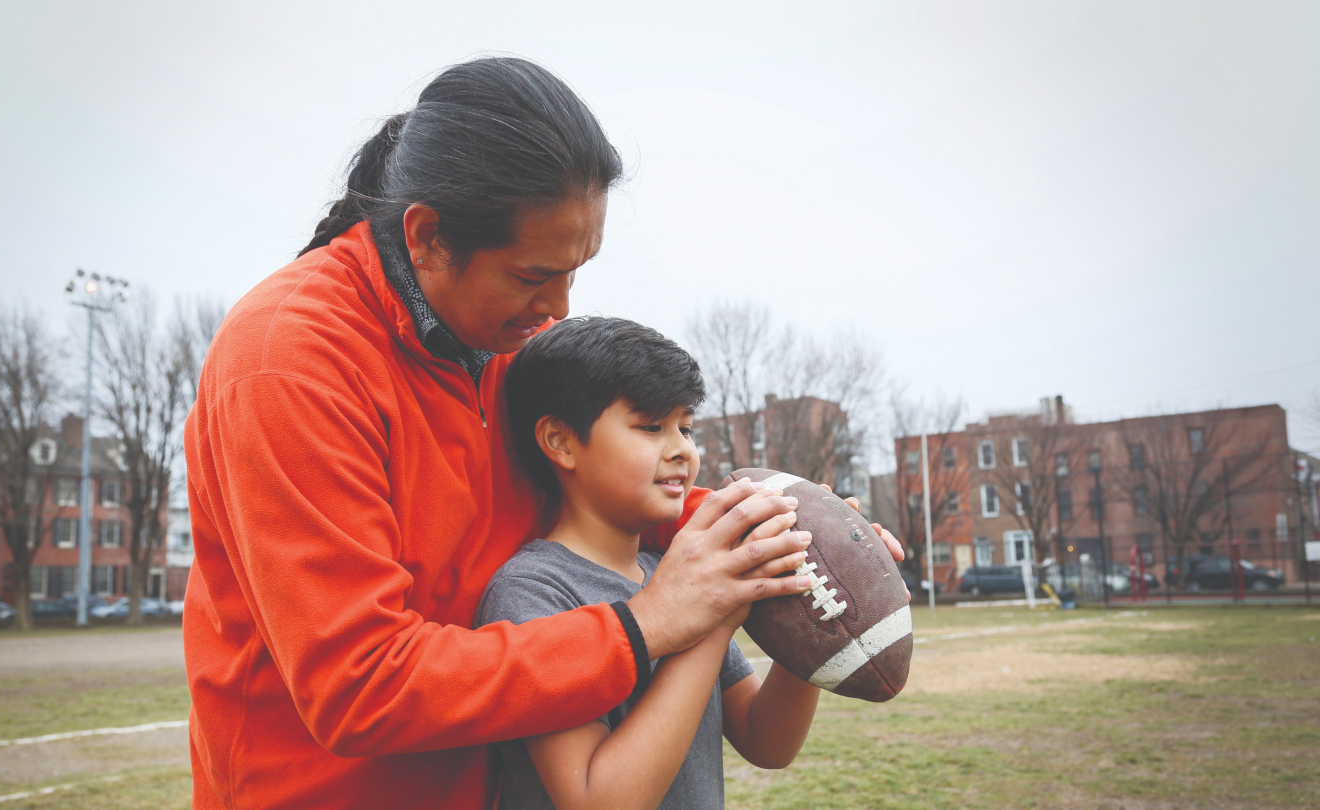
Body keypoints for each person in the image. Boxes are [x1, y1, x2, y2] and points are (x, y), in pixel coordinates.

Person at [183, 56, 901, 809]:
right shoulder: (288, 361)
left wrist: (778, 534)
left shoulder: (497, 345)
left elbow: (604, 489)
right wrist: (650, 622)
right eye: (531, 277)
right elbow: (358, 683)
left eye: (574, 271)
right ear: (427, 236)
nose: (556, 309)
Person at [478, 317, 822, 810]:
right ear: (560, 441)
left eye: (685, 427)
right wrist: (713, 616)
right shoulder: (533, 592)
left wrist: (808, 601)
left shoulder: (670, 570)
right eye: (650, 426)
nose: (682, 448)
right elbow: (599, 799)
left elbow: (766, 741)